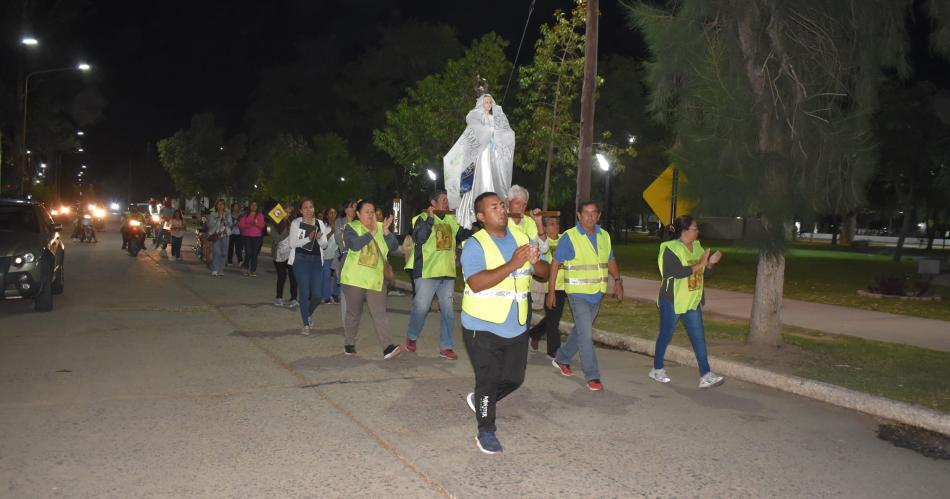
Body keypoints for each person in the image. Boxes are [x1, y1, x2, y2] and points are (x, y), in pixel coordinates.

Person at [461, 192, 548, 455]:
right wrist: (513, 264)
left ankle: (482, 400)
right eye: (493, 207)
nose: (501, 210)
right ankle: (486, 431)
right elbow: (475, 282)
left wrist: (535, 261)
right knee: (487, 380)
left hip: (516, 323)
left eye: (501, 205)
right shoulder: (475, 245)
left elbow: (543, 272)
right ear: (481, 216)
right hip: (482, 326)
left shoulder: (522, 237)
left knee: (514, 378)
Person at [548, 201, 623, 391]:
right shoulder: (569, 237)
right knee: (586, 335)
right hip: (577, 294)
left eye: (593, 213)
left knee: (581, 331)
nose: (590, 216)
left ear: (598, 216)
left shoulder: (604, 236)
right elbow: (555, 264)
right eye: (586, 213)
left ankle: (562, 358)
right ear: (579, 216)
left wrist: (618, 280)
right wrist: (551, 292)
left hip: (597, 294)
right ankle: (592, 376)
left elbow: (610, 259)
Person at [649, 215, 725, 389]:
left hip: (692, 301)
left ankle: (705, 374)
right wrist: (701, 263)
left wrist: (711, 264)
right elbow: (677, 272)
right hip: (673, 301)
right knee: (665, 336)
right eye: (694, 228)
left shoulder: (697, 247)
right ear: (684, 231)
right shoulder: (670, 248)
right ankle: (657, 369)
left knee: (699, 338)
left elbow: (704, 274)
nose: (697, 231)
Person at [340, 199, 401, 359]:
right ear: (358, 214)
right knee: (353, 313)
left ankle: (388, 347)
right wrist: (372, 233)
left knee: (380, 314)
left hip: (376, 279)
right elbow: (354, 245)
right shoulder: (351, 227)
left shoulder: (382, 227)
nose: (370, 214)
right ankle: (349, 343)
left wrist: (386, 232)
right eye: (366, 211)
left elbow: (394, 246)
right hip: (354, 279)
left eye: (372, 211)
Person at [405, 190, 462, 360]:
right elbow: (419, 238)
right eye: (443, 200)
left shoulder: (453, 220)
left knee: (448, 311)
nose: (446, 203)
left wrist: (467, 217)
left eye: (448, 200)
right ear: (433, 203)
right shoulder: (421, 218)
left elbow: (465, 235)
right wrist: (430, 219)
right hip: (427, 272)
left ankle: (446, 346)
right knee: (421, 307)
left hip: (447, 273)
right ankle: (412, 335)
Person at [445, 93, 516, 229]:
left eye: (490, 103)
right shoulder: (475, 118)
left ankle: (493, 199)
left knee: (492, 175)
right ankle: (474, 207)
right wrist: (486, 132)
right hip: (480, 154)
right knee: (479, 176)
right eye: (486, 102)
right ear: (481, 104)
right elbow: (472, 136)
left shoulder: (494, 119)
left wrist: (495, 135)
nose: (488, 105)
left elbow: (505, 134)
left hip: (491, 153)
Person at [506, 185, 548, 331]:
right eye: (517, 203)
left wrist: (538, 223)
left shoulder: (529, 222)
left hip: (524, 285)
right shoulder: (500, 220)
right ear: (508, 202)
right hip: (504, 283)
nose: (521, 208)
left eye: (524, 204)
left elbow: (543, 249)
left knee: (524, 325)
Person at [288, 199, 327, 332]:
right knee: (304, 292)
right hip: (301, 261)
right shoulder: (296, 223)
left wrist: (320, 238)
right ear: (300, 210)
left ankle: (308, 313)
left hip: (316, 261)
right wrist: (308, 238)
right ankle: (305, 324)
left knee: (317, 295)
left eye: (311, 207)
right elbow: (292, 243)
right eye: (305, 207)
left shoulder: (320, 223)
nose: (308, 210)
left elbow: (325, 245)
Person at [528, 216, 564, 358]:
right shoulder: (542, 242)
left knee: (552, 316)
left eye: (557, 224)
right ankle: (553, 351)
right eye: (551, 224)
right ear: (545, 227)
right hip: (551, 286)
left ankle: (534, 334)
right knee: (554, 318)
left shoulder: (564, 238)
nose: (555, 226)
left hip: (567, 284)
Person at [271, 205, 299, 308]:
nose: (287, 214)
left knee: (293, 276)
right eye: (285, 212)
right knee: (281, 276)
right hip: (279, 253)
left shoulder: (293, 223)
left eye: (290, 212)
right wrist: (288, 231)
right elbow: (275, 237)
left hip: (291, 252)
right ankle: (279, 297)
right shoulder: (275, 222)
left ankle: (294, 298)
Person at [334, 200, 356, 320]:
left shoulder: (359, 223)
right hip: (343, 259)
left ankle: (352, 318)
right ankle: (345, 321)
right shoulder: (339, 222)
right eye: (351, 207)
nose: (353, 210)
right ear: (346, 209)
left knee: (355, 294)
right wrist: (347, 251)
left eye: (355, 207)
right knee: (344, 292)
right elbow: (339, 238)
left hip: (356, 262)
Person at [207, 199, 232, 277]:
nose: (220, 206)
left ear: (224, 206)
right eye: (219, 204)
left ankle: (221, 270)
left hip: (225, 235)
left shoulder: (227, 214)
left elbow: (230, 224)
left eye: (222, 204)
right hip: (216, 235)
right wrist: (218, 219)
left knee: (224, 253)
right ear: (216, 205)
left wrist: (224, 218)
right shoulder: (212, 214)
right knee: (216, 252)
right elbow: (210, 225)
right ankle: (215, 269)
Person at [239, 201, 265, 276]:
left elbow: (262, 225)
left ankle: (253, 270)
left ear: (257, 207)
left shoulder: (259, 215)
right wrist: (249, 225)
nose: (253, 206)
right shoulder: (246, 215)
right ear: (250, 206)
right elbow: (241, 225)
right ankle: (245, 268)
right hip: (247, 236)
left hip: (257, 237)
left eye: (255, 205)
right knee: (248, 252)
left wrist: (256, 224)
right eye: (252, 205)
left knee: (254, 254)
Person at [320, 207, 341, 304]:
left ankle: (335, 295)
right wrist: (332, 231)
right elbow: (322, 241)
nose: (333, 215)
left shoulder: (340, 226)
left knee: (338, 276)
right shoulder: (323, 226)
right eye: (330, 213)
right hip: (326, 256)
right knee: (326, 276)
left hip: (337, 255)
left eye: (334, 213)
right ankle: (326, 296)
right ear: (327, 215)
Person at [227, 202, 244, 267]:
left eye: (237, 207)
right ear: (232, 208)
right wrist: (233, 224)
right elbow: (228, 224)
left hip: (239, 234)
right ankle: (229, 261)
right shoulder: (229, 215)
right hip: (231, 233)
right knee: (230, 248)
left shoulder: (240, 216)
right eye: (235, 206)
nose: (236, 208)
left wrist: (239, 224)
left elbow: (243, 224)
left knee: (238, 248)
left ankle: (240, 260)